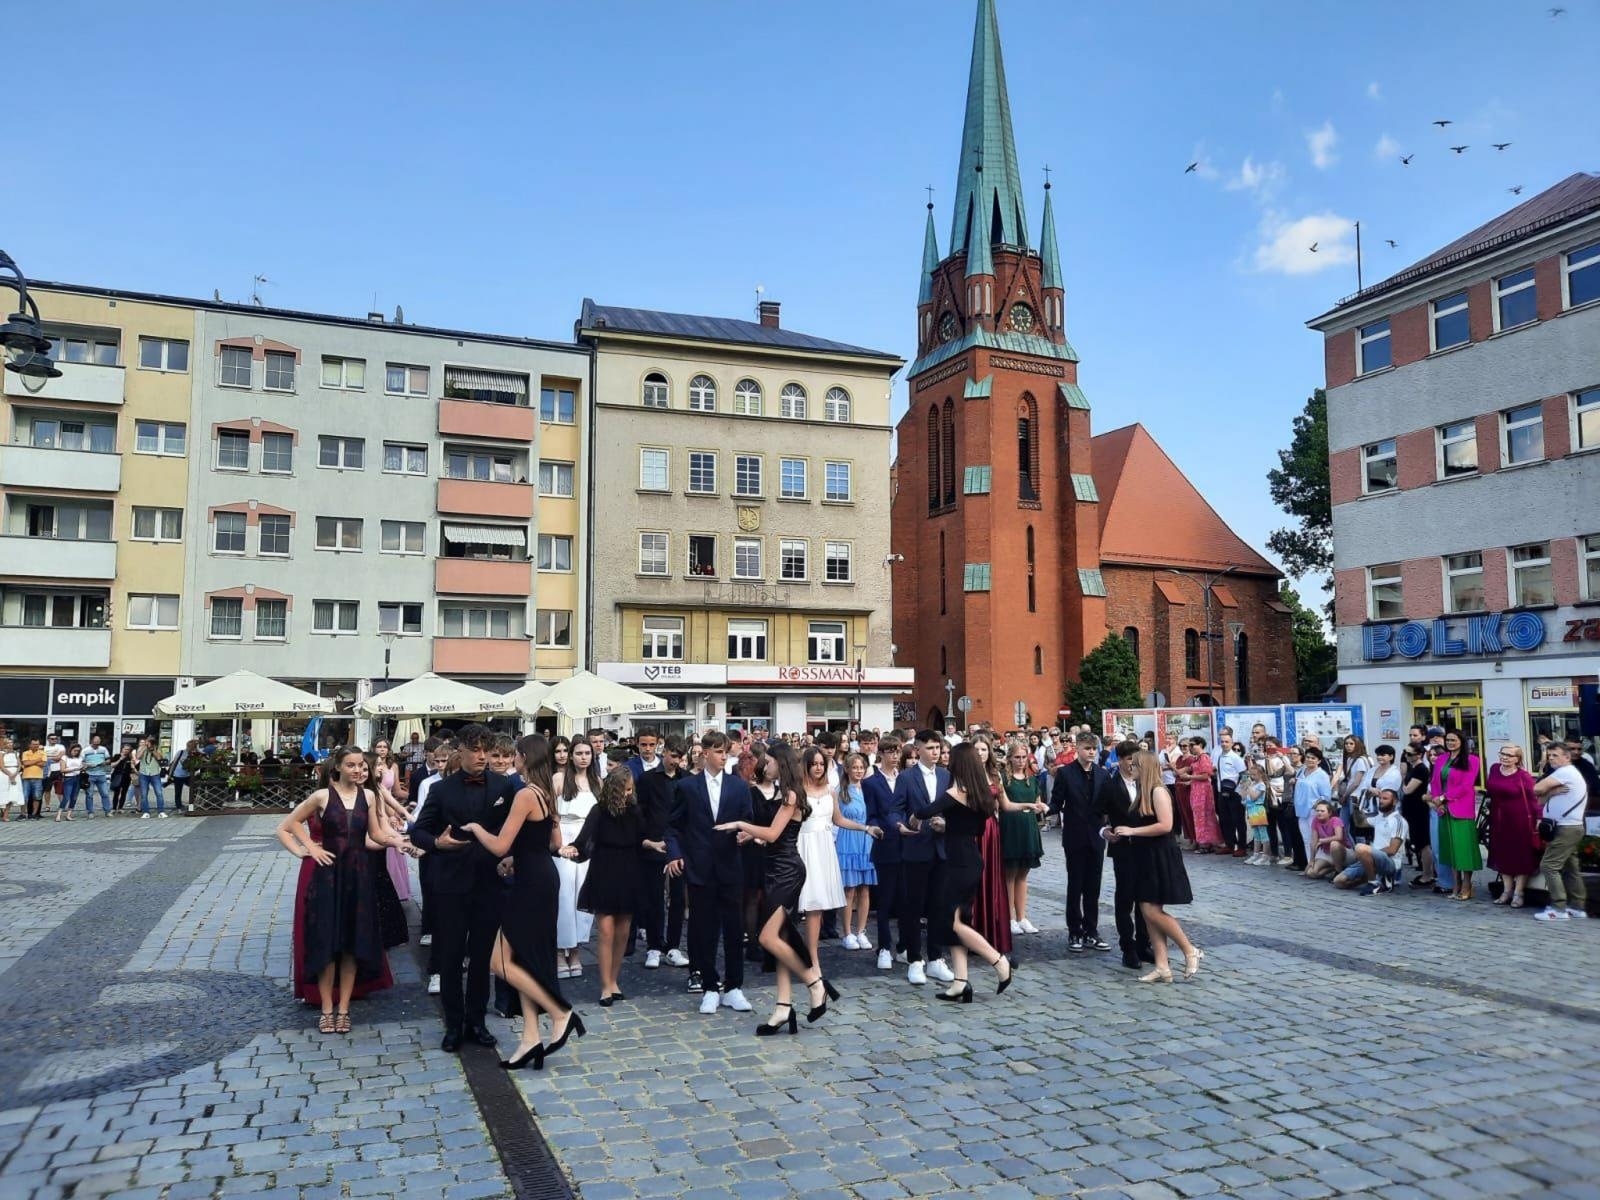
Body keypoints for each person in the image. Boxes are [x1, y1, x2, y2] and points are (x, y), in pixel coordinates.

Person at [460, 734, 582, 1069]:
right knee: (525, 959)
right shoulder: (545, 792)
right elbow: (551, 842)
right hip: (541, 877)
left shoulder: (526, 794)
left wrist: (476, 829)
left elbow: (500, 844)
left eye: (515, 754)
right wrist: (518, 859)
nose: (512, 759)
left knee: (499, 961)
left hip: (531, 885)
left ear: (524, 757)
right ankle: (530, 1039)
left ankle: (560, 1012)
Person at [276, 746, 402, 1032]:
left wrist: (398, 842)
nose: (357, 770)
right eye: (351, 765)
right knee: (327, 944)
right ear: (338, 768)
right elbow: (287, 825)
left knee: (351, 945)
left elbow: (375, 834)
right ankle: (326, 1009)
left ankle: (343, 1009)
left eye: (360, 765)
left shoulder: (369, 796)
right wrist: (308, 849)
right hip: (327, 877)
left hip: (358, 877)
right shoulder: (321, 796)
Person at [715, 742, 839, 1033]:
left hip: (787, 872)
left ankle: (815, 983)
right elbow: (777, 833)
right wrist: (751, 835)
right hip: (776, 869)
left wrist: (740, 824)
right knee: (781, 938)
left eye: (768, 760)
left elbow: (772, 834)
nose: (764, 765)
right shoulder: (786, 792)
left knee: (768, 938)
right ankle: (783, 1007)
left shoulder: (792, 794)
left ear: (780, 763)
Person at [409, 724, 515, 1052]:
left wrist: (511, 855)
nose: (482, 756)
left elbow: (514, 830)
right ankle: (454, 1025)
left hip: (490, 883)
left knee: (482, 958)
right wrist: (437, 844)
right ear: (461, 752)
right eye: (476, 750)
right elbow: (418, 832)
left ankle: (477, 1021)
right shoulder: (441, 789)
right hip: (450, 884)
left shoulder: (504, 786)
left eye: (486, 750)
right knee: (451, 956)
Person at [667, 731, 754, 1015]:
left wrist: (746, 835)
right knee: (703, 929)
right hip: (699, 867)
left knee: (734, 928)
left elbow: (748, 821)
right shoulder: (687, 787)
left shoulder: (738, 787)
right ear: (704, 753)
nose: (723, 756)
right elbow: (673, 826)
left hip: (731, 866)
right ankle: (709, 986)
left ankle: (734, 986)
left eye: (725, 751)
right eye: (718, 751)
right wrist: (675, 854)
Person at [924, 743, 1014, 1001]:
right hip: (967, 859)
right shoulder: (978, 792)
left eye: (950, 756)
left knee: (952, 922)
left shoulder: (957, 792)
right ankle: (960, 982)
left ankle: (999, 961)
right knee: (956, 921)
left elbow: (924, 810)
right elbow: (964, 825)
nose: (947, 759)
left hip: (961, 864)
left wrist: (913, 818)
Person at [1108, 750, 1201, 983]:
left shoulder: (1158, 790)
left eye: (1136, 765)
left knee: (1151, 911)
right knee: (1147, 911)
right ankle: (1162, 966)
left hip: (1160, 854)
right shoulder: (1143, 791)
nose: (1132, 768)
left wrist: (1133, 831)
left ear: (1145, 767)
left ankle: (1189, 949)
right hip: (1144, 855)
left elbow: (1165, 825)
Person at [563, 766, 644, 1006]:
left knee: (623, 931)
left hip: (629, 872)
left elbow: (642, 839)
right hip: (604, 872)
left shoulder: (635, 811)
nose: (628, 794)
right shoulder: (598, 811)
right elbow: (585, 840)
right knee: (606, 931)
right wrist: (573, 850)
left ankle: (614, 980)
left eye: (630, 790)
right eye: (625, 790)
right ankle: (605, 985)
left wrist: (654, 845)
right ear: (614, 789)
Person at [894, 730, 955, 987]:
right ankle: (915, 960)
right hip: (916, 847)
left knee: (939, 905)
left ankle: (936, 958)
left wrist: (947, 824)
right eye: (930, 748)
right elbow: (896, 809)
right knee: (914, 906)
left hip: (941, 848)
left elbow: (954, 808)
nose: (935, 752)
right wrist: (899, 824)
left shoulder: (946, 776)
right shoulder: (906, 777)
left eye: (938, 748)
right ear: (918, 749)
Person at [1050, 732, 1108, 950]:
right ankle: (1074, 931)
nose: (1091, 752)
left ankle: (1091, 931)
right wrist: (1043, 809)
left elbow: (1109, 804)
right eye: (1087, 748)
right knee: (1075, 885)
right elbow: (1056, 802)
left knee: (1093, 887)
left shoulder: (1102, 774)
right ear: (1078, 749)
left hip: (1096, 836)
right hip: (1074, 836)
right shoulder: (1066, 773)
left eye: (1094, 748)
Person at [637, 735, 689, 971]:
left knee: (678, 898)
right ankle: (654, 946)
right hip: (654, 843)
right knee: (654, 898)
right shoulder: (647, 779)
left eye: (679, 757)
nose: (675, 761)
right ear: (664, 751)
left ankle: (673, 946)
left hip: (678, 845)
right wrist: (646, 841)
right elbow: (641, 813)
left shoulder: (687, 779)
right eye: (672, 756)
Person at [553, 739, 603, 978]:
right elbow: (551, 813)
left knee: (583, 898)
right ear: (571, 756)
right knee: (563, 896)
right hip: (564, 838)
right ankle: (558, 950)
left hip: (588, 842)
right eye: (579, 753)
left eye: (587, 753)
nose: (584, 757)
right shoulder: (559, 779)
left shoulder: (597, 782)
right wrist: (557, 844)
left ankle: (575, 951)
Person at [795, 746, 848, 967]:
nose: (818, 768)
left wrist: (864, 828)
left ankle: (812, 957)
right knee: (799, 903)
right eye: (814, 764)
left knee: (816, 905)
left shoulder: (830, 791)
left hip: (824, 847)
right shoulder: (797, 791)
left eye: (821, 764)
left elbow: (839, 819)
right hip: (803, 846)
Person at [1532, 743, 1590, 921]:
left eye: (1555, 755)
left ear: (1567, 757)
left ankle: (1558, 908)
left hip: (1566, 827)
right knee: (1570, 867)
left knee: (1549, 866)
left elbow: (1536, 789)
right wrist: (1552, 792)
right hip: (1567, 826)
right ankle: (1577, 906)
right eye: (1549, 755)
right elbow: (1540, 800)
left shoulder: (1564, 772)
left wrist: (1548, 790)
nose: (1551, 758)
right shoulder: (1564, 774)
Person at [862, 735, 904, 969]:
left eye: (898, 751)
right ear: (882, 753)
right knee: (885, 900)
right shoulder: (871, 782)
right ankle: (885, 947)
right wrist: (874, 827)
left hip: (908, 844)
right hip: (885, 843)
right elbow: (871, 814)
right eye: (891, 751)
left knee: (906, 898)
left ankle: (905, 946)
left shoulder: (905, 778)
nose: (895, 756)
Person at [998, 738, 1047, 937]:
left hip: (1028, 828)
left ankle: (1021, 916)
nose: (1020, 761)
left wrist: (1041, 807)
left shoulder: (1032, 780)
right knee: (1009, 875)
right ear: (1009, 758)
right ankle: (1009, 917)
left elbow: (1037, 802)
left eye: (1023, 757)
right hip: (1010, 828)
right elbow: (1002, 805)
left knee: (1023, 875)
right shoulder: (1003, 779)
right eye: (1017, 757)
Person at [1486, 745, 1542, 908]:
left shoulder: (1523, 776)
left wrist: (1539, 817)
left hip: (1519, 819)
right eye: (1503, 753)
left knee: (1520, 855)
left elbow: (1533, 798)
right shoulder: (1494, 769)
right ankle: (1506, 890)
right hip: (1498, 817)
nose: (1505, 757)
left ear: (1517, 759)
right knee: (1502, 853)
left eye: (1510, 755)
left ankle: (1519, 892)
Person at [1430, 730, 1482, 902]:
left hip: (1461, 808)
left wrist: (1444, 798)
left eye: (1454, 740)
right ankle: (1455, 884)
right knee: (1449, 849)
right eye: (1448, 740)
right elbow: (1435, 782)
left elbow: (1466, 785)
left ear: (1462, 741)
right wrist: (1437, 801)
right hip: (1443, 808)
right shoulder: (1442, 759)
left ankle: (1467, 885)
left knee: (1463, 849)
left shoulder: (1472, 760)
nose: (1450, 743)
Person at [836, 754, 880, 950]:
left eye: (861, 767)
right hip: (848, 841)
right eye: (854, 767)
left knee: (865, 889)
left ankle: (861, 931)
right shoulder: (840, 791)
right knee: (850, 889)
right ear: (847, 769)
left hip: (867, 840)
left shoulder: (869, 789)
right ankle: (847, 933)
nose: (859, 771)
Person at [1334, 788, 1407, 894]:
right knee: (1339, 882)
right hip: (1372, 858)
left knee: (1360, 848)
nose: (1381, 801)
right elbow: (1360, 823)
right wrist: (1357, 805)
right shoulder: (1379, 817)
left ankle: (1374, 883)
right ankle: (1372, 879)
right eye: (1380, 798)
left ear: (1394, 801)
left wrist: (1368, 853)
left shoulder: (1399, 821)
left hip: (1390, 862)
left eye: (1385, 798)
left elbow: (1392, 850)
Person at [1292, 747, 1333, 873]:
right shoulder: (1301, 771)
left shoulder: (1322, 775)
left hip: (1313, 811)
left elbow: (1326, 796)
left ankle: (1318, 864)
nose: (1309, 760)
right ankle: (1310, 863)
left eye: (1313, 758)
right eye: (1308, 757)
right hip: (1300, 810)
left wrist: (1315, 805)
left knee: (1315, 839)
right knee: (1306, 839)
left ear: (1319, 761)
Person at [1180, 737, 1223, 853]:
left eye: (1192, 745)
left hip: (1203, 791)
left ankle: (1206, 843)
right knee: (1199, 816)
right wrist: (1189, 781)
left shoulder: (1204, 757)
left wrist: (1189, 777)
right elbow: (1198, 774)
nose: (1190, 747)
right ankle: (1205, 842)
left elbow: (1205, 775)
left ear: (1200, 745)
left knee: (1204, 816)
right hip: (1196, 790)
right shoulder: (1197, 758)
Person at [1214, 739, 1248, 857]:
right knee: (1225, 820)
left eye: (1227, 742)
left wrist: (1241, 791)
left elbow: (1244, 775)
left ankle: (1242, 847)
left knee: (1238, 821)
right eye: (1222, 742)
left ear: (1231, 743)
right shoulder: (1219, 756)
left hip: (1235, 793)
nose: (1224, 744)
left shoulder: (1236, 758)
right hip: (1222, 792)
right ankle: (1230, 844)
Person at [1240, 761, 1273, 864]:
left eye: (1254, 775)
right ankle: (1256, 854)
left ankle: (1266, 856)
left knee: (1263, 833)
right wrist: (1244, 788)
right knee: (1256, 834)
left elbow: (1254, 797)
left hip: (1258, 810)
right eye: (1251, 775)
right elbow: (1244, 798)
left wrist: (1249, 787)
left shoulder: (1261, 785)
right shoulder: (1253, 784)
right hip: (1251, 809)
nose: (1252, 777)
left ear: (1261, 774)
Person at [1305, 800, 1347, 880]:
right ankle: (1334, 868)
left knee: (1334, 844)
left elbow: (1339, 837)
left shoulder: (1335, 820)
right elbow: (1314, 842)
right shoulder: (1315, 820)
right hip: (1327, 853)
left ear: (1329, 813)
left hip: (1342, 850)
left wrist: (1322, 840)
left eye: (1322, 811)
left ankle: (1338, 871)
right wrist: (1311, 860)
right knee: (1310, 872)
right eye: (1317, 811)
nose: (1319, 813)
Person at [81, 736, 112, 817]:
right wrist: (88, 765)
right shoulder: (85, 750)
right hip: (90, 774)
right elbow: (81, 762)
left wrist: (105, 762)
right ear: (91, 742)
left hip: (101, 774)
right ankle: (90, 812)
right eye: (95, 744)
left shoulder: (103, 749)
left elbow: (108, 759)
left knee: (105, 793)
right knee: (89, 794)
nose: (96, 745)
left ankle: (107, 811)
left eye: (98, 744)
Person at [136, 737, 166, 818]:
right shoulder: (142, 748)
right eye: (148, 742)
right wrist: (144, 747)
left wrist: (153, 750)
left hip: (155, 773)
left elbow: (159, 758)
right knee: (144, 794)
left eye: (150, 742)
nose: (149, 744)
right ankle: (146, 812)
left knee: (159, 793)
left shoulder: (157, 748)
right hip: (143, 773)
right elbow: (138, 757)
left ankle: (161, 811)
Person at [55, 744, 83, 822]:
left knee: (74, 797)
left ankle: (69, 814)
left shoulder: (80, 758)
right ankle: (59, 814)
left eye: (78, 751)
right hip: (68, 778)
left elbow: (80, 768)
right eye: (75, 750)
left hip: (77, 777)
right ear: (70, 750)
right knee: (66, 797)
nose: (76, 752)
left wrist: (83, 768)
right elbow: (62, 769)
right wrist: (75, 769)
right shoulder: (65, 757)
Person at [168, 739, 197, 811]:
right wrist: (170, 774)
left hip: (187, 775)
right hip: (178, 775)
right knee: (178, 791)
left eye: (194, 747)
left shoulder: (194, 754)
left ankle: (192, 803)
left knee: (194, 787)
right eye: (193, 746)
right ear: (188, 746)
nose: (193, 748)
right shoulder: (181, 752)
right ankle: (179, 806)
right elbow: (174, 763)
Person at [109, 746, 133, 814]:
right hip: (117, 776)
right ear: (122, 749)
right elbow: (112, 765)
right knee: (116, 793)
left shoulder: (130, 757)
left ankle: (120, 808)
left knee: (124, 793)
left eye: (128, 749)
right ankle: (114, 808)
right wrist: (120, 759)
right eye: (125, 749)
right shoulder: (117, 756)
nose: (126, 750)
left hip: (126, 777)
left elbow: (132, 767)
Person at [0, 737, 18, 821]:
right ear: (4, 744)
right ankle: (2, 811)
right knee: (3, 794)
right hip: (4, 775)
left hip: (15, 774)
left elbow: (19, 765)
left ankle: (6, 815)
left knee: (12, 794)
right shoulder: (1, 753)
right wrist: (10, 775)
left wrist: (15, 774)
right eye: (8, 743)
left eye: (11, 742)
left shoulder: (16, 753)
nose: (10, 744)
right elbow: (2, 766)